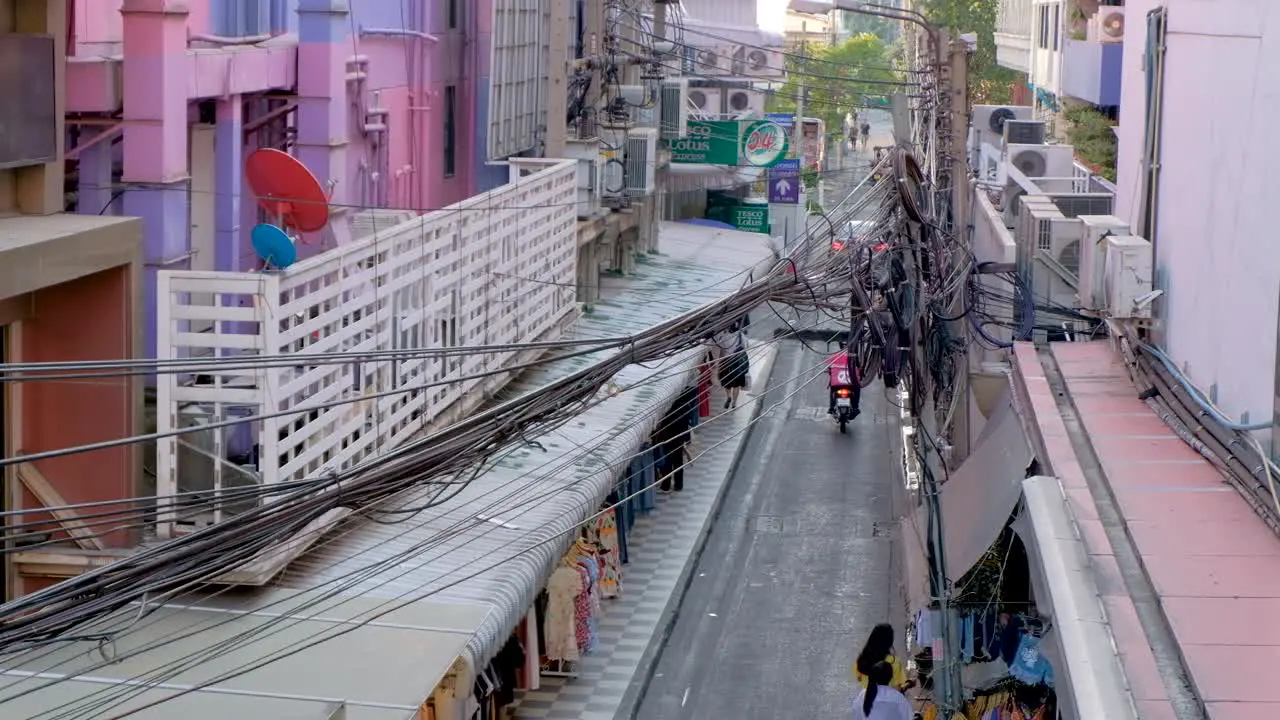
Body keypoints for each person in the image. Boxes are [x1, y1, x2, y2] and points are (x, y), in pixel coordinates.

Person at [854, 623, 910, 691]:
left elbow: (860, 680)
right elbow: (898, 689)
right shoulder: (894, 661)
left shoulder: (861, 660)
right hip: (888, 699)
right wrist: (910, 683)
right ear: (890, 641)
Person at [714, 320, 750, 409]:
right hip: (738, 365)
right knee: (736, 385)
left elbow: (721, 350)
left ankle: (729, 396)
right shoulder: (741, 335)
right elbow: (747, 346)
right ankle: (734, 402)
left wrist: (719, 362)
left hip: (727, 363)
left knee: (727, 383)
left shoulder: (724, 337)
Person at [827, 341, 861, 419]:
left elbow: (830, 367)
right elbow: (859, 367)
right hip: (850, 383)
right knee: (857, 388)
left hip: (838, 384)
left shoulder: (836, 355)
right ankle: (855, 408)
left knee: (832, 389)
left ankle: (832, 408)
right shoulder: (854, 356)